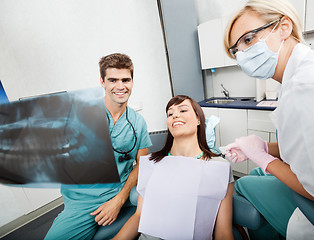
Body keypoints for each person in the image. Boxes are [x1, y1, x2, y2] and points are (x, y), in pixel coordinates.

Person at [222, 0, 314, 239]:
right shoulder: (307, 70)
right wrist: (264, 147)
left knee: (244, 184)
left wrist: (265, 159)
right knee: (255, 175)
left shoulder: (305, 86)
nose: (242, 55)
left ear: (284, 27)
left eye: (247, 40)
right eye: (236, 50)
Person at [45, 53, 152, 240]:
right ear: (102, 82)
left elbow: (142, 164)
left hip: (121, 191)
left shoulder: (138, 122)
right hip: (84, 200)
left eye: (125, 80)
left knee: (153, 201)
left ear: (132, 82)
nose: (120, 86)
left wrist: (118, 200)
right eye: (113, 80)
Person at [112, 95, 234, 240]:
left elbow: (223, 233)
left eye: (183, 110)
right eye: (170, 114)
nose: (175, 115)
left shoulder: (219, 168)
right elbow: (139, 217)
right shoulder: (152, 163)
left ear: (198, 119)